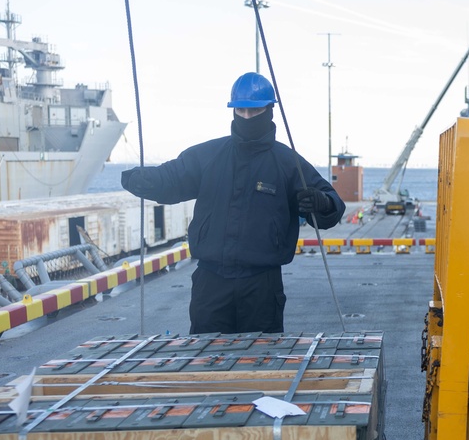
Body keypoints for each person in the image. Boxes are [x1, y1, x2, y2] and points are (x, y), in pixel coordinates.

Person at [121, 72, 345, 334]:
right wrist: (141, 180)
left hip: (262, 286)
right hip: (210, 283)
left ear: (270, 110)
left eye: (255, 110)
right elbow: (172, 177)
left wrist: (322, 203)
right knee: (205, 362)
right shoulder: (208, 155)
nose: (247, 118)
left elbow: (333, 203)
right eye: (241, 111)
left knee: (262, 364)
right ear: (233, 111)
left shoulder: (287, 162)